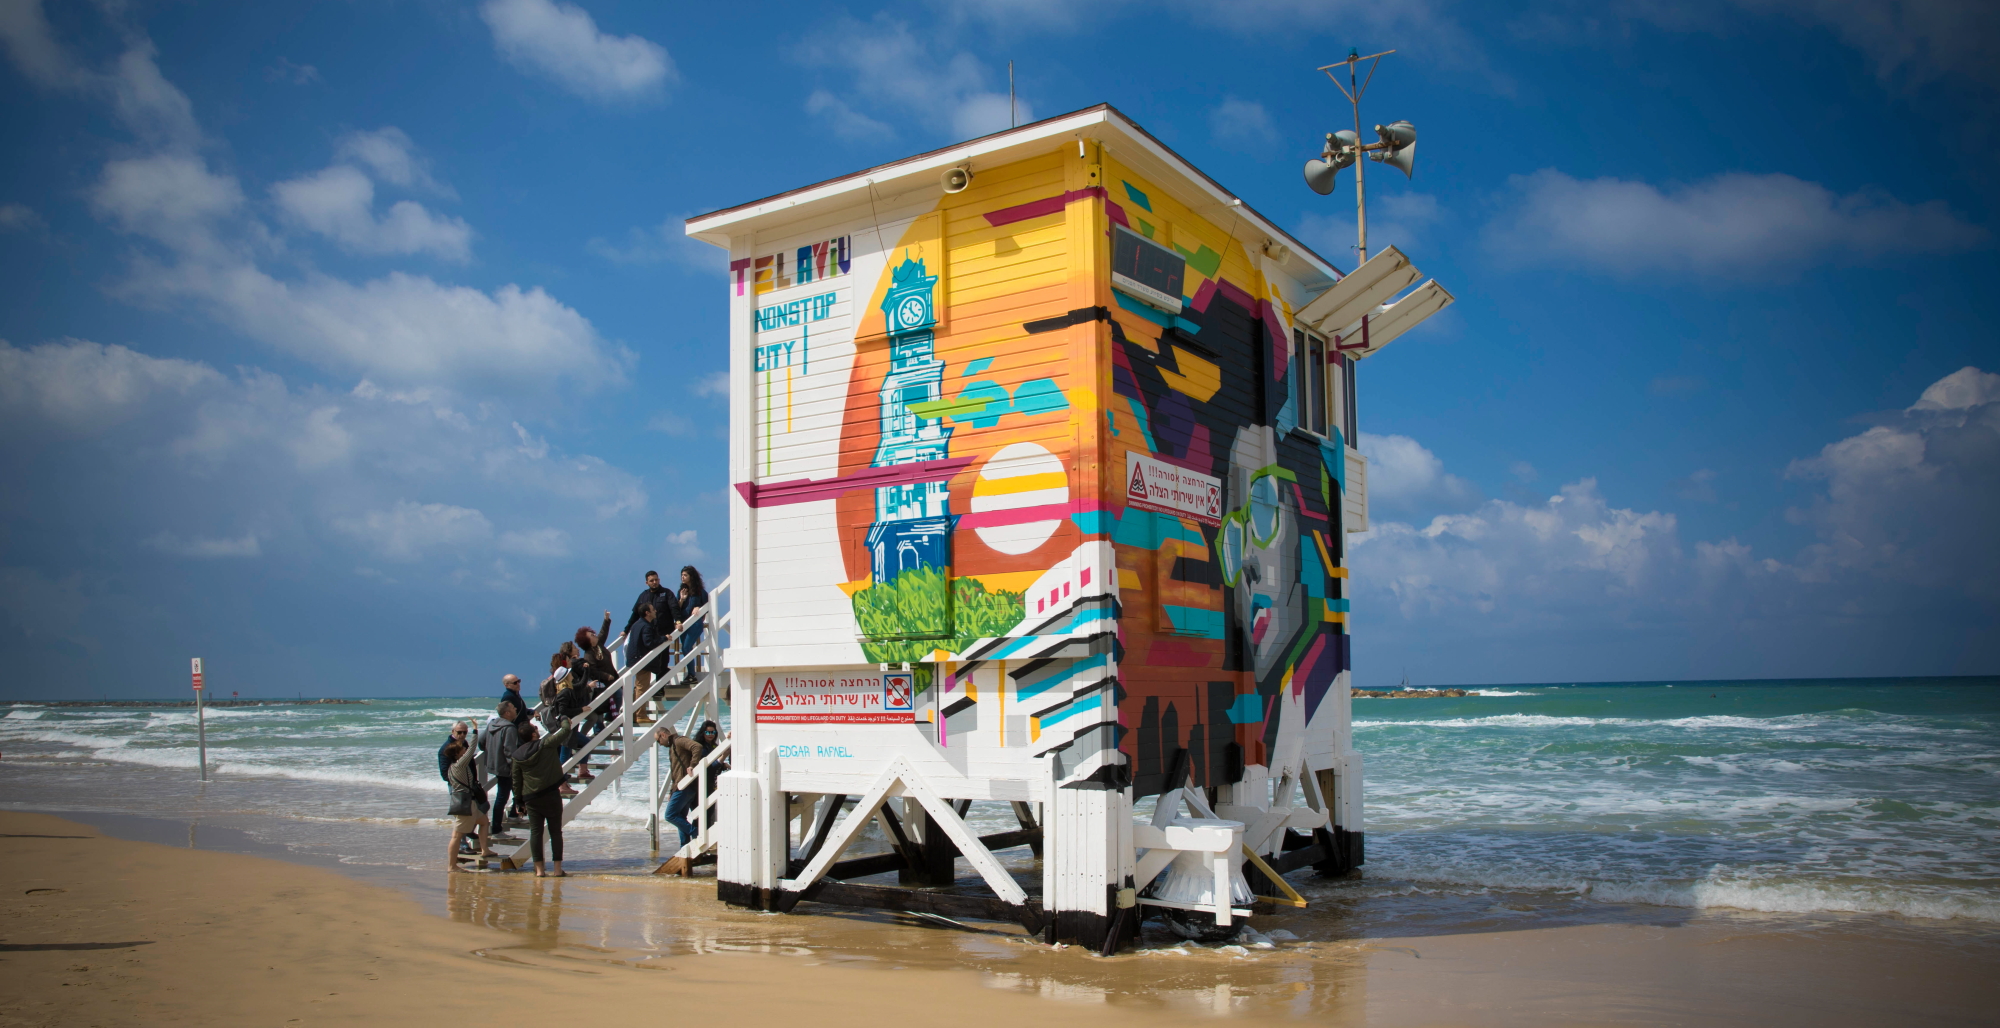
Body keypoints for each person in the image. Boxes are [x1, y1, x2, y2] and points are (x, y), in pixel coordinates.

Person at [510, 717, 580, 877]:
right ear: (534, 734)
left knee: (536, 833)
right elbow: (565, 731)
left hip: (530, 797)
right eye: (535, 729)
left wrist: (518, 802)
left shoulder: (517, 755)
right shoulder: (545, 744)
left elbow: (516, 780)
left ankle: (540, 870)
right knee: (555, 832)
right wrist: (563, 718)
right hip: (550, 793)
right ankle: (557, 870)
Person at [444, 739, 491, 872]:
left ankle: (485, 850)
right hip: (466, 805)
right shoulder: (459, 765)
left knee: (484, 822)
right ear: (458, 754)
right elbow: (471, 749)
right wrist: (475, 731)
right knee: (456, 836)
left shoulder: (451, 768)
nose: (465, 751)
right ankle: (452, 866)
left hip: (469, 803)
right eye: (462, 750)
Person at [479, 701, 522, 840]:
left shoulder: (492, 724)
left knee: (514, 791)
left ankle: (514, 815)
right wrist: (516, 767)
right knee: (502, 797)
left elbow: (481, 740)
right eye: (513, 708)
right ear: (507, 713)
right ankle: (497, 830)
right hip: (506, 767)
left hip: (495, 765)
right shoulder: (509, 727)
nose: (516, 709)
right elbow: (509, 751)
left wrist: (490, 751)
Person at [624, 571, 679, 677]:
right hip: (649, 634)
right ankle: (653, 690)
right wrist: (626, 630)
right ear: (647, 583)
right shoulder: (643, 596)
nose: (654, 582)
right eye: (651, 580)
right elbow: (635, 614)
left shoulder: (667, 593)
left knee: (663, 661)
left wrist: (678, 621)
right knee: (649, 663)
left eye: (656, 580)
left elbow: (674, 608)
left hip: (664, 633)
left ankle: (659, 689)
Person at [674, 566, 710, 686]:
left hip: (695, 623)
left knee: (686, 647)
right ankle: (690, 674)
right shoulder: (681, 591)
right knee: (685, 648)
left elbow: (708, 606)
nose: (682, 577)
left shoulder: (700, 591)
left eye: (685, 575)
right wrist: (682, 600)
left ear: (691, 576)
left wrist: (698, 608)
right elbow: (675, 609)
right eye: (682, 575)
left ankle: (691, 674)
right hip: (683, 624)